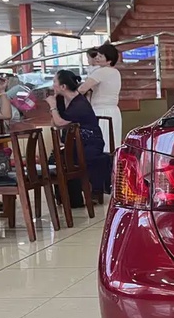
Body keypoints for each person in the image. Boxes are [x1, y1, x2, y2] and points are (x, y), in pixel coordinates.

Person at [45, 70, 111, 202]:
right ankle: (67, 198)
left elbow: (60, 122)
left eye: (54, 82)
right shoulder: (62, 100)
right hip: (74, 142)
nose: (53, 86)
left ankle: (78, 196)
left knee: (64, 159)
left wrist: (52, 107)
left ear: (63, 86)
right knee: (55, 158)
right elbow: (55, 123)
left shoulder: (80, 104)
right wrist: (55, 107)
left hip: (89, 143)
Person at [77, 43, 121, 153]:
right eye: (97, 55)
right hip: (114, 112)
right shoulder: (116, 72)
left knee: (101, 146)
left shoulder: (101, 72)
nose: (97, 58)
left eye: (101, 56)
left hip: (101, 112)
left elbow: (82, 89)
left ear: (109, 60)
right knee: (113, 145)